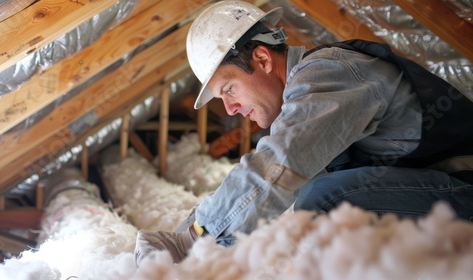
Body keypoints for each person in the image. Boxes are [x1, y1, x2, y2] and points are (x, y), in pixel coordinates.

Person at [134, 0, 473, 264]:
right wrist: (183, 233)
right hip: (442, 196)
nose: (230, 109)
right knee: (314, 192)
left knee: (325, 200)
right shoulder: (304, 96)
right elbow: (267, 178)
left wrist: (194, 240)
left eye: (229, 89)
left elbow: (277, 166)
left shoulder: (328, 74)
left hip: (465, 191)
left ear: (263, 60)